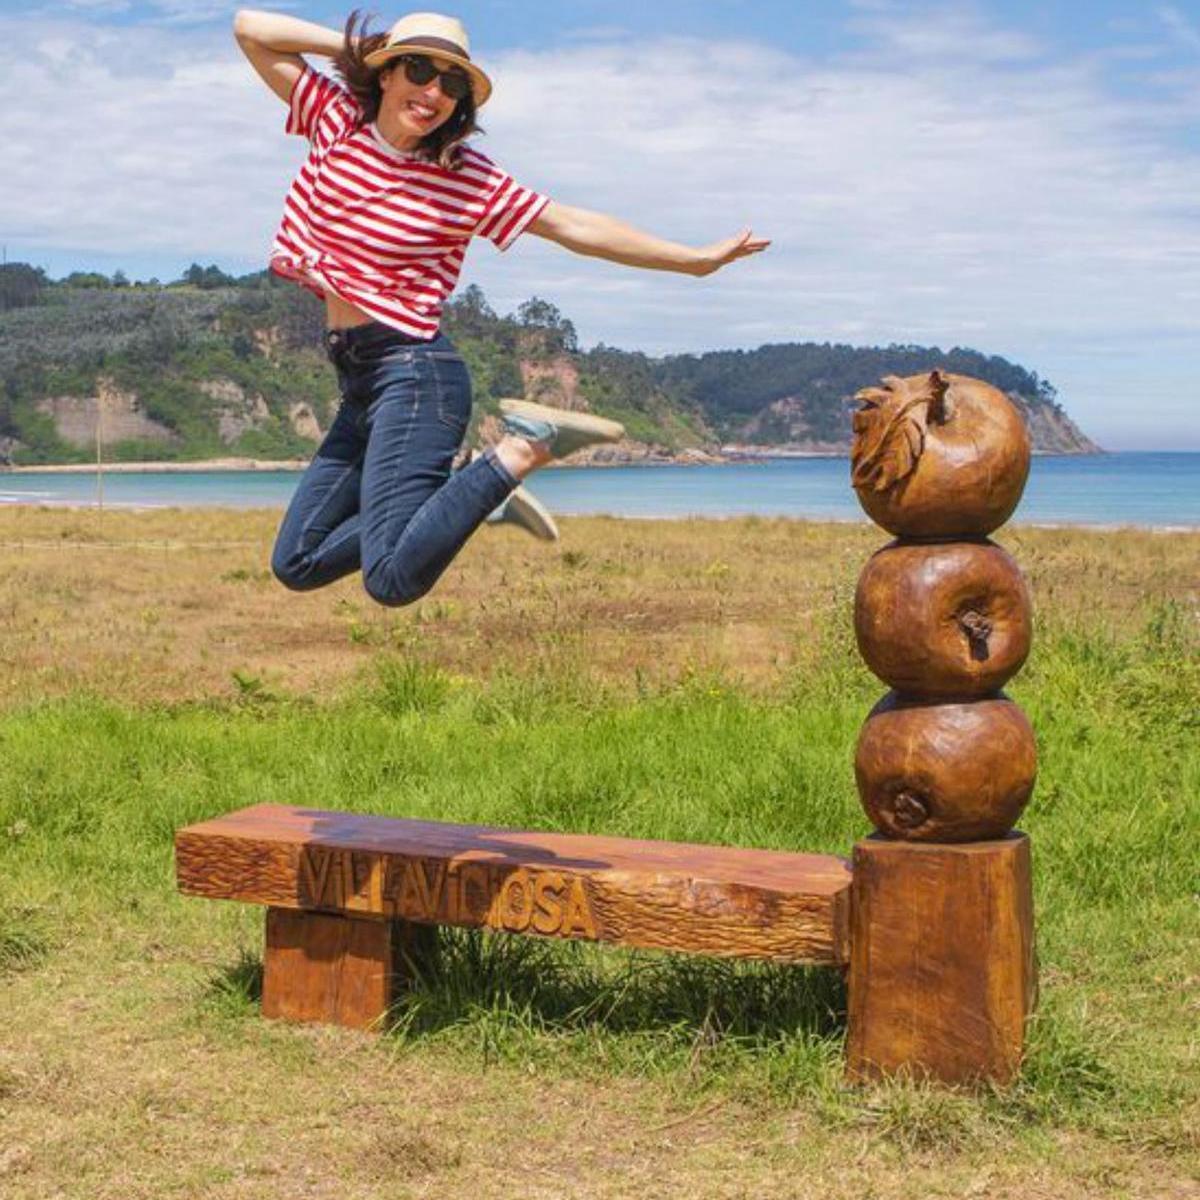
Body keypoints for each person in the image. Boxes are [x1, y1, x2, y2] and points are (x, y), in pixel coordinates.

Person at [234, 9, 769, 606]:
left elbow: (572, 223)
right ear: (386, 74)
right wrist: (361, 48)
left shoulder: (462, 176)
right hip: (359, 380)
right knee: (298, 560)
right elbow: (250, 29)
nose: (433, 93)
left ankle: (521, 449)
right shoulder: (334, 122)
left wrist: (691, 259)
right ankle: (470, 498)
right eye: (417, 69)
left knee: (388, 579)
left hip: (414, 375)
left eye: (452, 84)